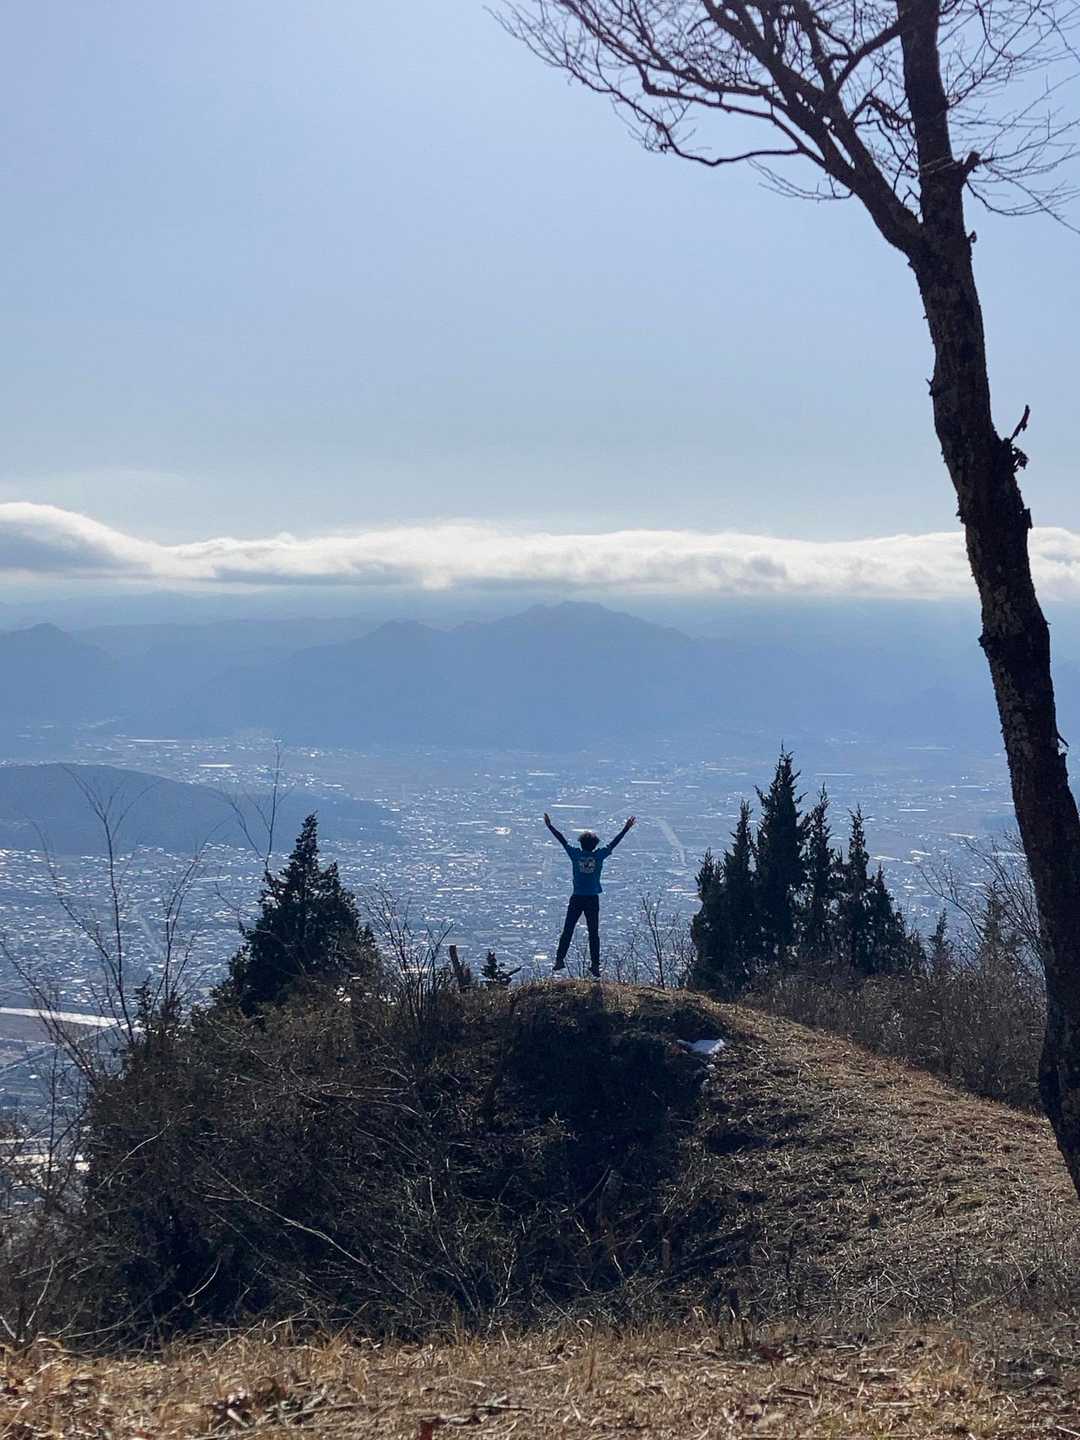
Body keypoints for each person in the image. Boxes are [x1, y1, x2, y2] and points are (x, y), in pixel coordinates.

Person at [544, 812, 636, 978]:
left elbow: (562, 840)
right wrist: (625, 828)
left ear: (581, 844)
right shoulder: (599, 856)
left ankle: (559, 959)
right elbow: (613, 843)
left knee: (568, 929)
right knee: (593, 932)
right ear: (594, 845)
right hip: (592, 898)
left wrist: (550, 826)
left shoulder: (575, 854)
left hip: (577, 897)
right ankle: (595, 965)